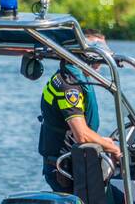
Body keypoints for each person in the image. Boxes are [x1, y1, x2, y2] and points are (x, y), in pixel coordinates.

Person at [37, 29, 121, 193]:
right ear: (85, 56)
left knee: (115, 201)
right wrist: (114, 149)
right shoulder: (70, 87)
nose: (100, 64)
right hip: (64, 169)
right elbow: (81, 135)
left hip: (71, 162)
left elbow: (71, 130)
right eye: (98, 57)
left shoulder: (71, 78)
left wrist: (103, 141)